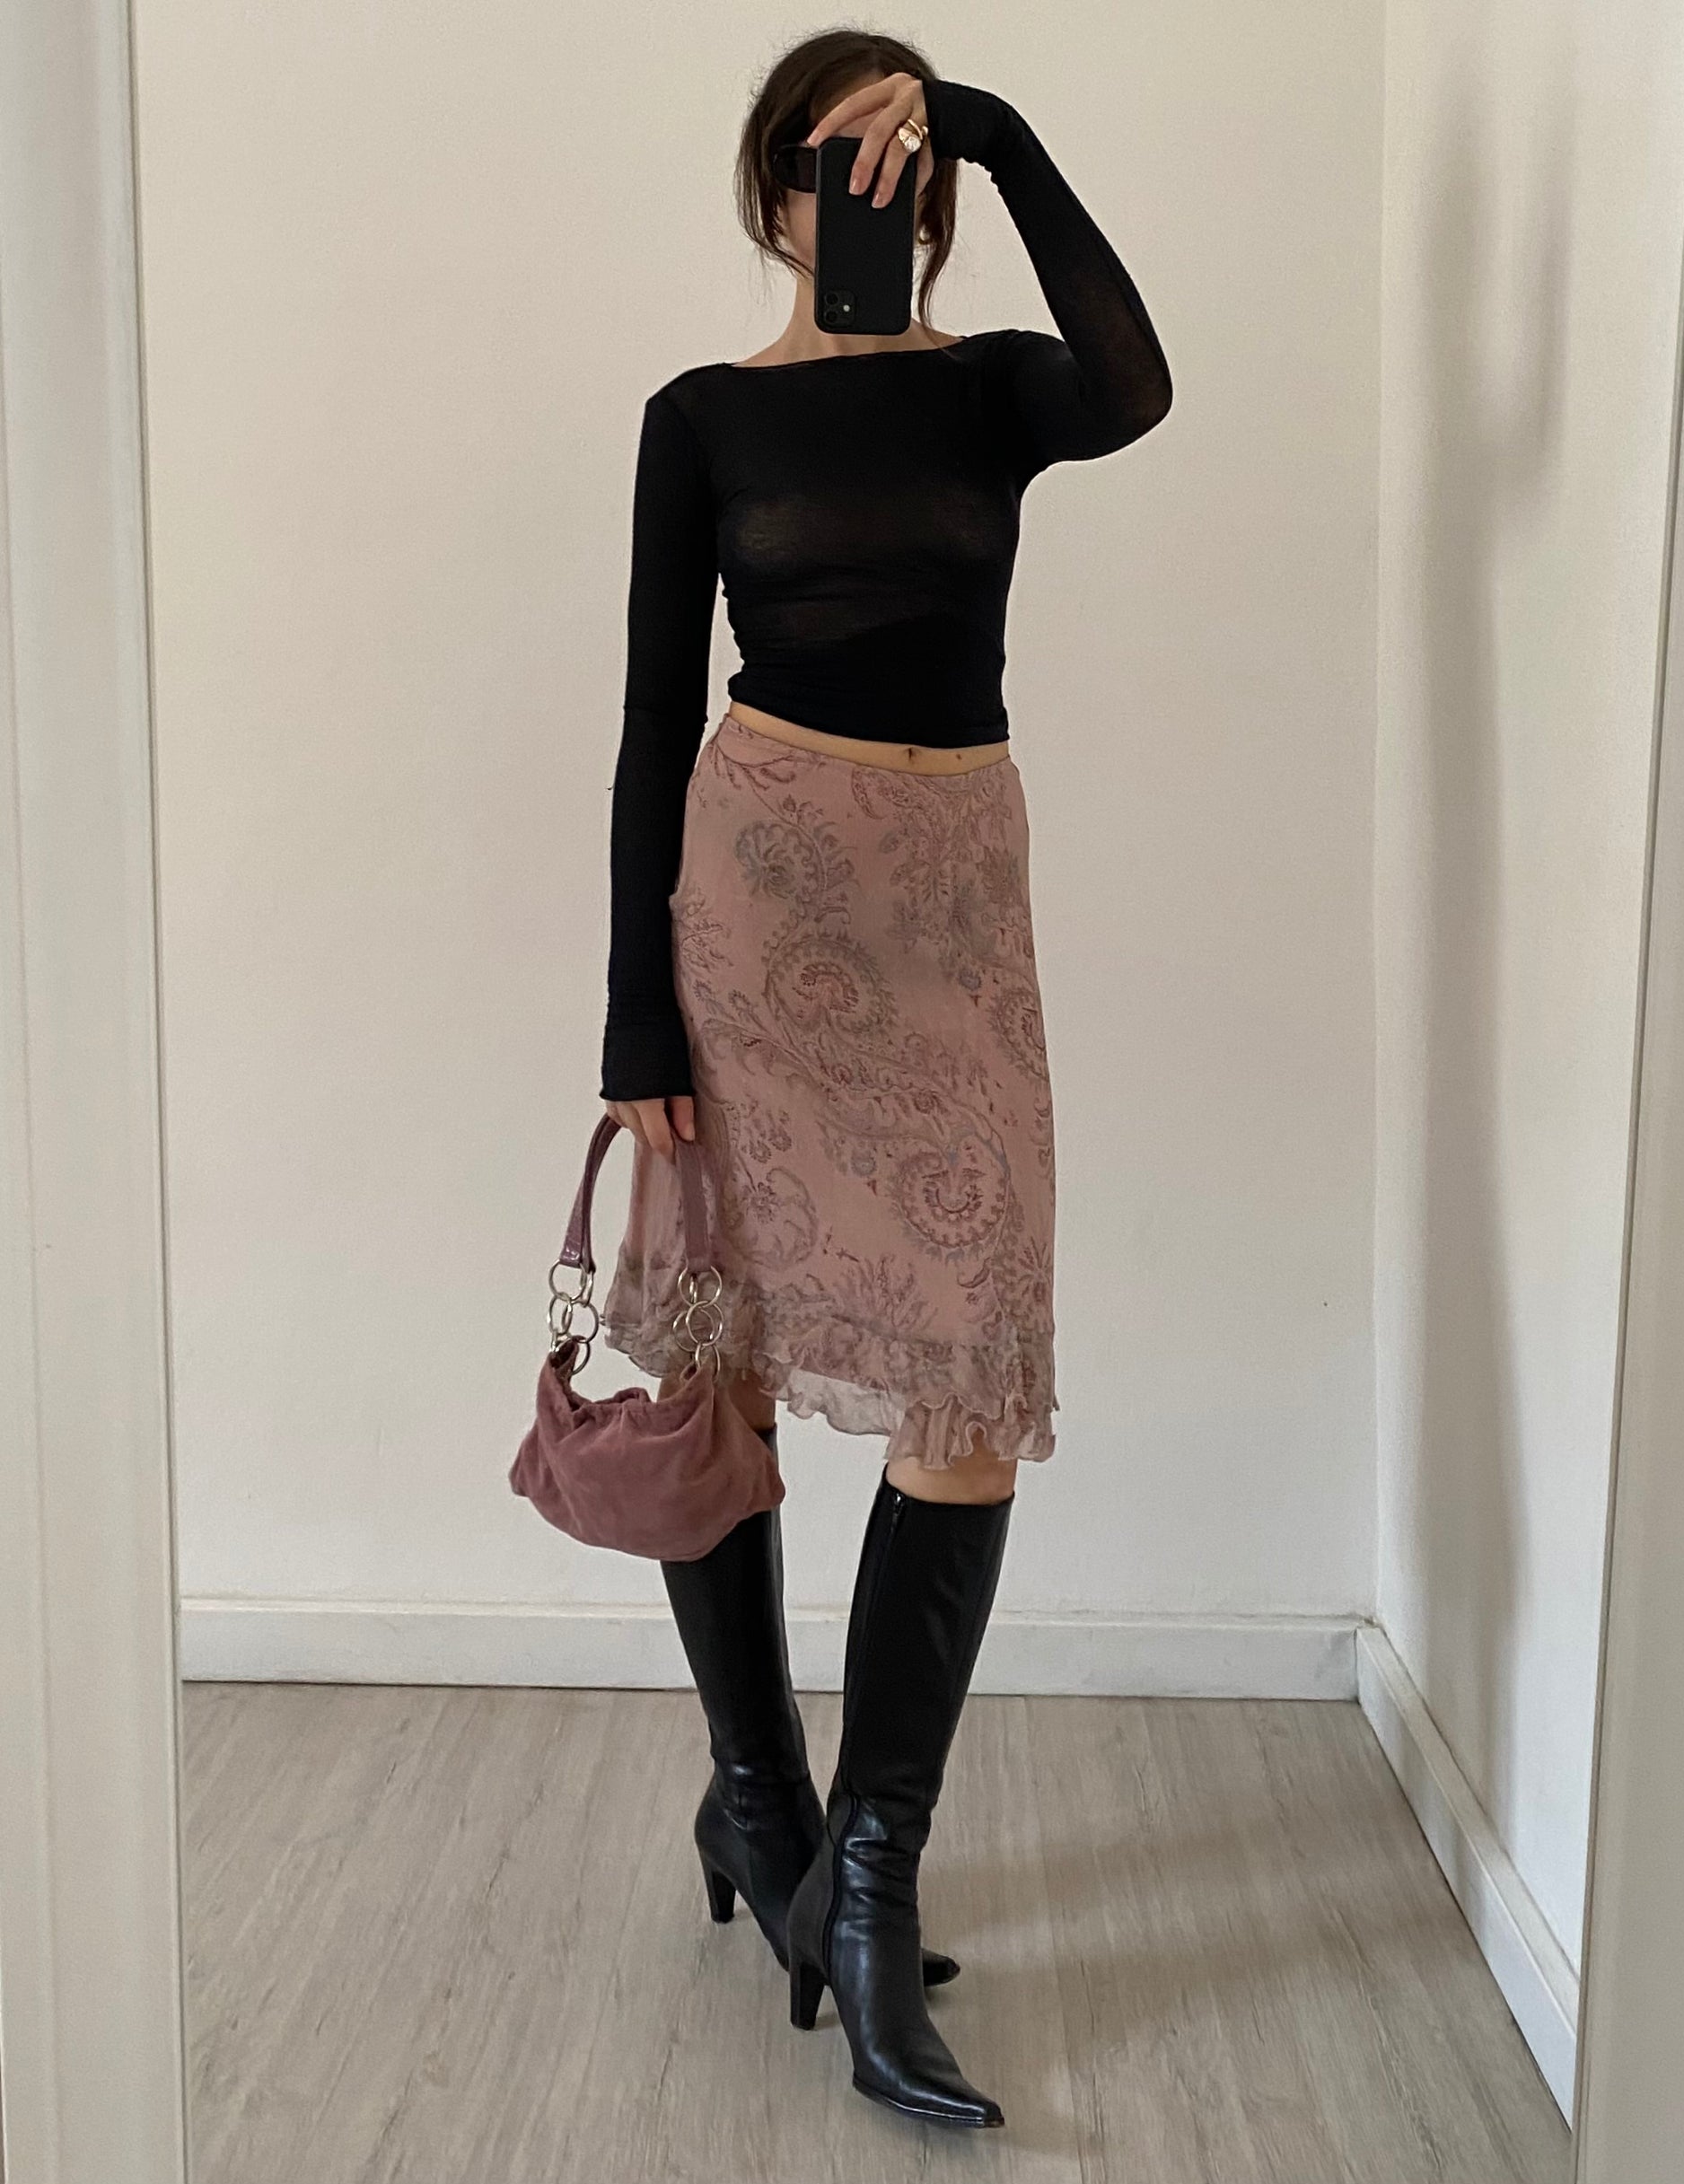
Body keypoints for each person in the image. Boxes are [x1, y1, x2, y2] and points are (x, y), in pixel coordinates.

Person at [595, 29, 1171, 2129]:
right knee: (726, 1354)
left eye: (894, 173)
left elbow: (1136, 383)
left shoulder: (995, 391)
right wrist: (633, 1017)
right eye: (822, 169)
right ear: (768, 196)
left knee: (971, 1380)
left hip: (950, 908)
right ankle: (765, 1806)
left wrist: (997, 136)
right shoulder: (701, 419)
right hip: (757, 905)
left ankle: (868, 1873)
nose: (859, 201)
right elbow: (652, 718)